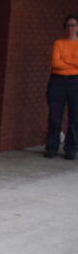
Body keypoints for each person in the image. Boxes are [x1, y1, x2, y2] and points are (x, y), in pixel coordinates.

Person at [44, 14, 78, 160]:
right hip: (57, 82)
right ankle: (52, 147)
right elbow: (55, 64)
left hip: (75, 82)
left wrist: (64, 61)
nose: (71, 28)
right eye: (68, 25)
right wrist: (74, 63)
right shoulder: (58, 43)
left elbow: (61, 63)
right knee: (54, 116)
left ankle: (71, 149)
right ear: (65, 27)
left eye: (74, 25)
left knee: (75, 117)